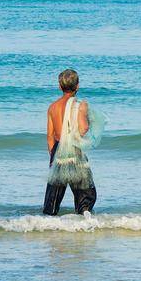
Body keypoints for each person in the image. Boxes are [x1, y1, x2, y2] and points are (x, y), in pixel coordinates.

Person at [43, 68, 99, 215]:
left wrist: (53, 158)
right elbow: (83, 129)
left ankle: (47, 225)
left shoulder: (52, 107)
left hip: (58, 151)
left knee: (53, 197)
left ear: (60, 86)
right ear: (77, 86)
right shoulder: (80, 105)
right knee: (85, 195)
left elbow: (50, 136)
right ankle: (81, 225)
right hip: (74, 149)